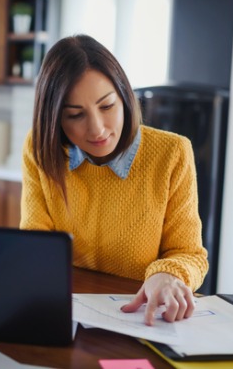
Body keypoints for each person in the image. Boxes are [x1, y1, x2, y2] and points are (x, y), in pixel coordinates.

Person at [20, 34, 208, 326]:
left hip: (144, 320)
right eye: (75, 115)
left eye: (107, 107)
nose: (96, 129)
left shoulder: (172, 152)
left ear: (124, 96)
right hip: (65, 315)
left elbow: (189, 254)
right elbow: (36, 244)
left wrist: (168, 274)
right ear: (55, 119)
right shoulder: (41, 150)